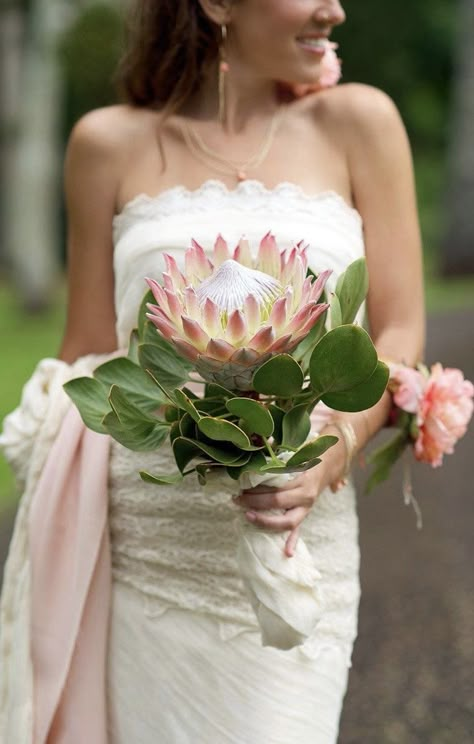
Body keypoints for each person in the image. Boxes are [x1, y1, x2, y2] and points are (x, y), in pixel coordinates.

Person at [0, 1, 425, 742]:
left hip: (295, 547)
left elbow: (398, 330)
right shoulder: (105, 143)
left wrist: (337, 446)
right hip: (145, 554)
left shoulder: (361, 124)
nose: (336, 8)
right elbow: (88, 353)